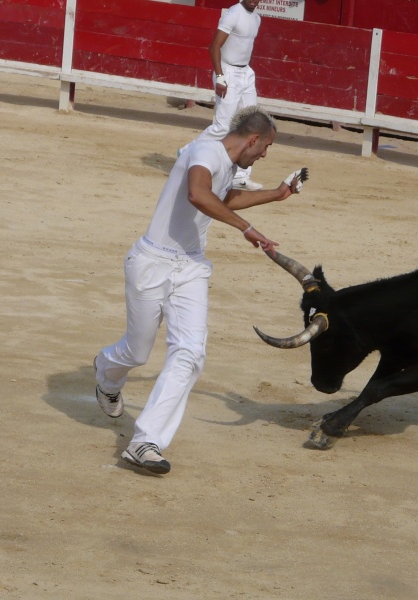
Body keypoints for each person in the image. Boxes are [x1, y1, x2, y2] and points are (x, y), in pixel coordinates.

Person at [93, 106, 307, 474]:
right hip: (151, 263)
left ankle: (146, 442)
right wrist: (246, 228)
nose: (265, 155)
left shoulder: (228, 165)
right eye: (267, 147)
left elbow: (220, 200)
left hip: (190, 267)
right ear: (253, 139)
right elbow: (197, 194)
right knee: (137, 352)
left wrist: (277, 194)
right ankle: (106, 370)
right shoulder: (206, 151)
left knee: (191, 353)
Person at [197, 0, 264, 191]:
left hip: (245, 73)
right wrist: (220, 77)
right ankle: (189, 153)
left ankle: (241, 176)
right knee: (222, 126)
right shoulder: (233, 13)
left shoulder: (257, 19)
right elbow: (214, 47)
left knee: (252, 124)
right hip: (227, 71)